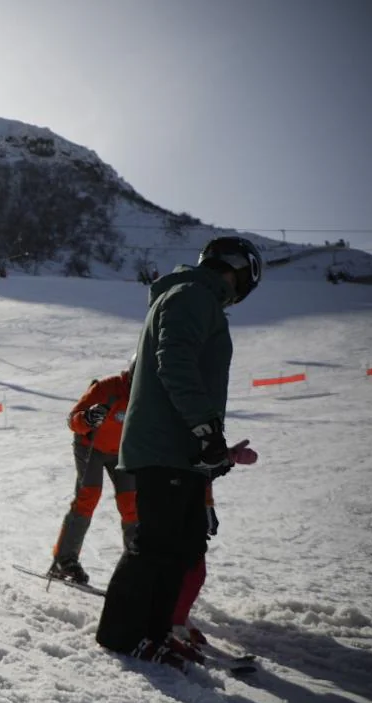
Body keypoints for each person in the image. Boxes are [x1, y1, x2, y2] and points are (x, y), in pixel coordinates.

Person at [95, 236, 263, 670]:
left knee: (184, 545)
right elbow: (175, 361)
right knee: (155, 545)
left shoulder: (196, 297)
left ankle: (155, 633)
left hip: (181, 449)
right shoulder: (191, 294)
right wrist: (204, 430)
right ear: (240, 270)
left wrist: (214, 449)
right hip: (164, 446)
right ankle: (122, 635)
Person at [48, 363, 137, 585]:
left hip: (122, 452)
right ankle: (64, 560)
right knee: (89, 496)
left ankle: (136, 564)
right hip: (91, 446)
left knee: (131, 504)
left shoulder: (148, 395)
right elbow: (72, 419)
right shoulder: (108, 388)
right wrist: (87, 419)